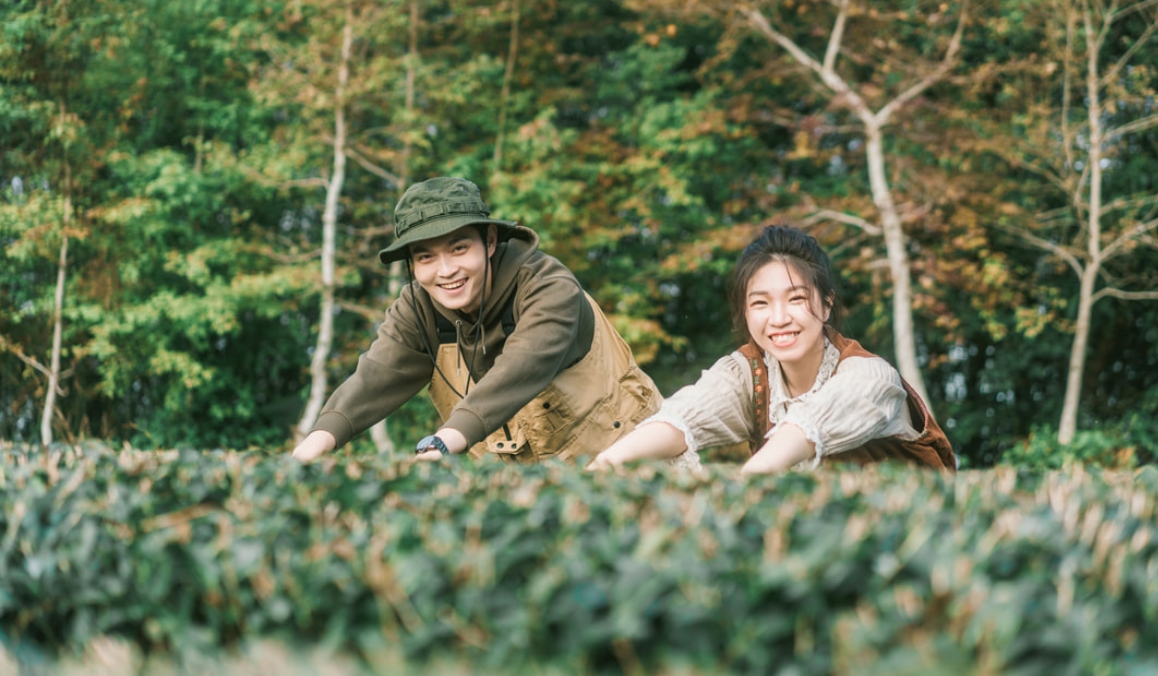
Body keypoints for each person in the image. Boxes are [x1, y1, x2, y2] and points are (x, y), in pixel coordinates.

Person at [292, 176, 662, 464]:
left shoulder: (547, 286)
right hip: (529, 492)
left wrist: (442, 441)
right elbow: (374, 378)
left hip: (631, 461)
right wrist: (309, 450)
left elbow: (521, 366)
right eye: (425, 257)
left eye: (458, 248)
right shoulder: (418, 307)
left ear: (488, 241)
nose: (446, 270)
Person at [588, 224, 955, 474]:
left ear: (827, 305)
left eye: (796, 299)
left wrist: (746, 486)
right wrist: (604, 465)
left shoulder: (870, 377)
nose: (778, 318)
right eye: (761, 304)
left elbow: (809, 427)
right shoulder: (748, 374)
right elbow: (682, 418)